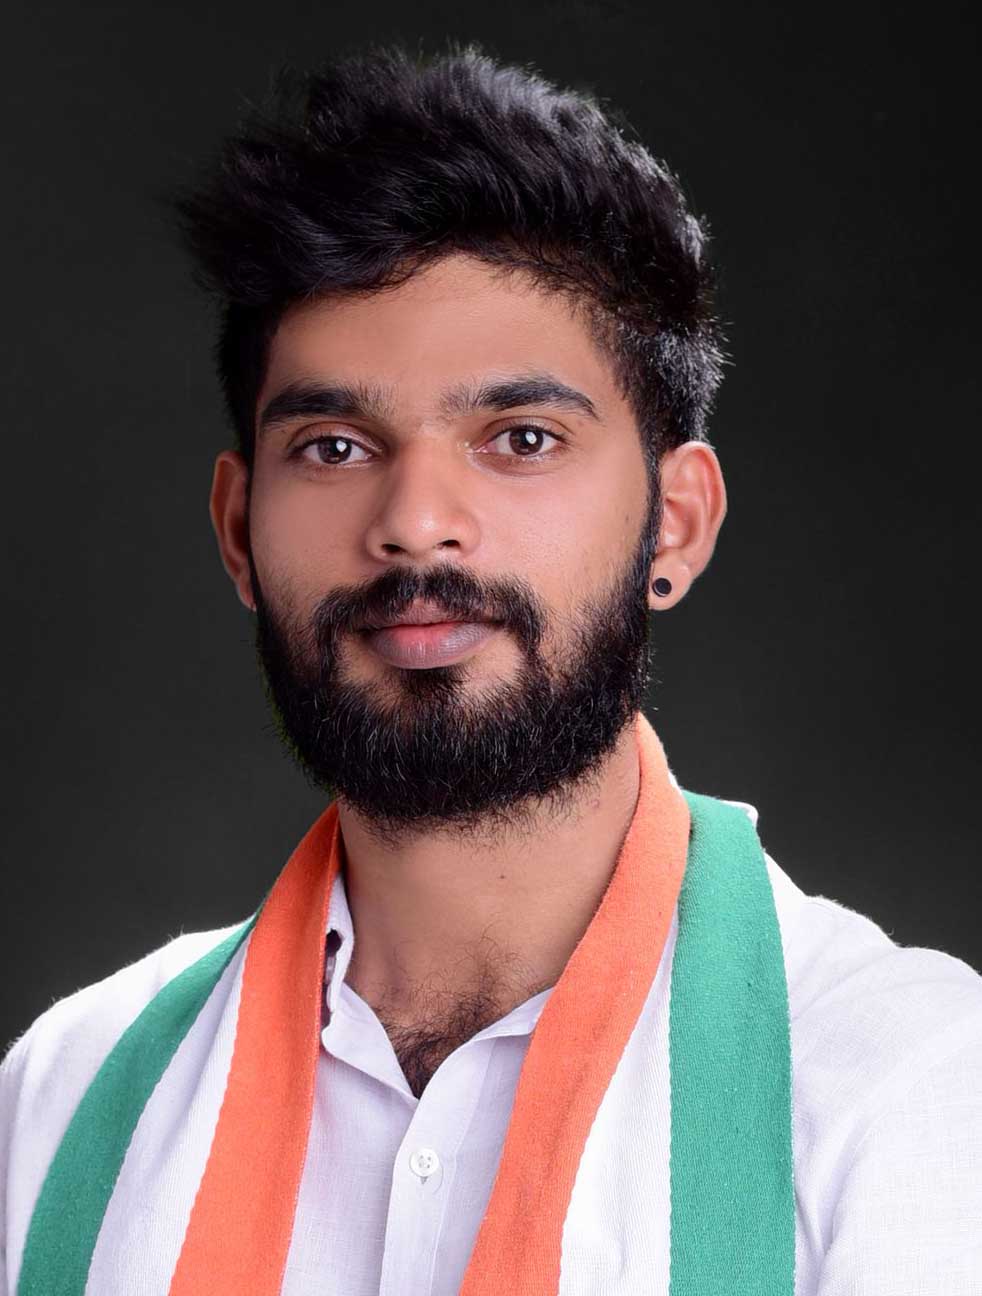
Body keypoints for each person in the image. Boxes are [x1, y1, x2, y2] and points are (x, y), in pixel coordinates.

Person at [2, 42, 979, 1296]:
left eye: (520, 438)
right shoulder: (66, 1101)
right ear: (239, 530)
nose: (415, 524)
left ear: (675, 525)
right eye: (334, 445)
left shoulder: (905, 1098)